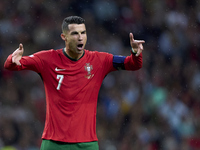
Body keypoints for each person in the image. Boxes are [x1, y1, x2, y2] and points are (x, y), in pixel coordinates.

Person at [4, 16, 145, 150]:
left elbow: (132, 64)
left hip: (86, 144)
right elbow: (11, 65)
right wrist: (12, 58)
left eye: (83, 33)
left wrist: (135, 52)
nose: (80, 37)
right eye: (75, 33)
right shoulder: (47, 59)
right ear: (64, 37)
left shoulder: (99, 60)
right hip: (54, 143)